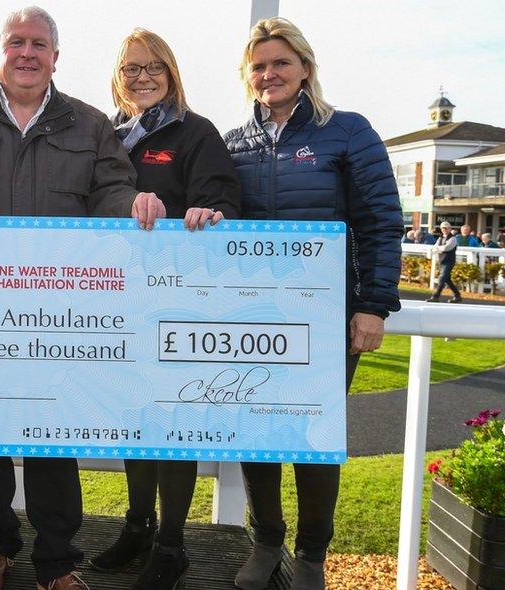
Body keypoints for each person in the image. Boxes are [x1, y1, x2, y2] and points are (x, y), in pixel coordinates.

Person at [0, 7, 166, 590]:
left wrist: (134, 204)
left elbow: (113, 188)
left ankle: (57, 561)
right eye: (16, 42)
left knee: (52, 438)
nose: (27, 53)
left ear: (56, 57)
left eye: (40, 43)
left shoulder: (89, 126)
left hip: (58, 316)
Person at [223, 18, 402, 589]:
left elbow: (380, 221)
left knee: (314, 437)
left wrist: (373, 304)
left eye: (280, 62)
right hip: (255, 316)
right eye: (258, 66)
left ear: (305, 67)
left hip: (328, 318)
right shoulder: (234, 143)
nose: (269, 74)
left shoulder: (347, 131)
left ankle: (312, 555)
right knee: (257, 432)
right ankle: (266, 541)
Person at [87, 28, 240, 590]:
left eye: (153, 66)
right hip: (121, 302)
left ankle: (171, 545)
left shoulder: (195, 132)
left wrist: (207, 213)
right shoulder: (110, 135)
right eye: (131, 68)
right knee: (136, 422)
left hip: (178, 303)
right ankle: (138, 527)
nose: (142, 76)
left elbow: (222, 200)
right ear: (117, 76)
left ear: (172, 72)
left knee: (173, 425)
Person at [427, 221, 463, 303]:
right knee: (447, 280)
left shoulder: (453, 239)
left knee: (442, 278)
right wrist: (439, 248)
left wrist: (438, 248)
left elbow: (446, 248)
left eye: (446, 228)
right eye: (443, 228)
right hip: (442, 261)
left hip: (449, 261)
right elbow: (434, 248)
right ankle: (457, 296)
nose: (444, 230)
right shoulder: (440, 238)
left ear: (450, 229)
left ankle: (436, 296)